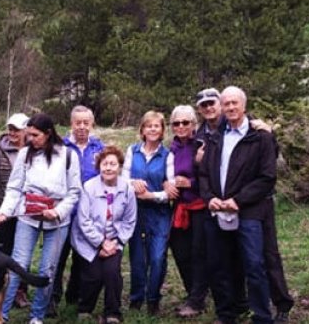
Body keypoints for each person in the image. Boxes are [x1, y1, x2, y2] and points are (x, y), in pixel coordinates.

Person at [198, 86, 294, 324]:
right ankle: (227, 313)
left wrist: (238, 200)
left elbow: (267, 177)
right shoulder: (215, 137)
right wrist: (210, 198)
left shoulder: (260, 136)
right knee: (221, 264)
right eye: (226, 103)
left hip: (251, 210)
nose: (231, 107)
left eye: (235, 103)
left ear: (244, 105)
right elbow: (204, 173)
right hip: (219, 209)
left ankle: (262, 316)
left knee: (255, 263)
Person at [0, 113, 83, 324]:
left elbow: (74, 192)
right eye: (29, 134)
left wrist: (58, 211)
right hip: (28, 217)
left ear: (48, 133)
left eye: (35, 135)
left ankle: (37, 315)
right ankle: (2, 315)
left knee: (47, 268)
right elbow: (14, 188)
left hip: (57, 221)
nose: (30, 139)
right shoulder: (25, 154)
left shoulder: (68, 156)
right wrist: (4, 212)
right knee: (17, 264)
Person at [71, 145, 137, 324]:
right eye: (104, 164)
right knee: (93, 275)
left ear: (120, 167)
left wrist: (115, 242)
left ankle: (113, 313)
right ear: (99, 166)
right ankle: (85, 308)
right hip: (88, 239)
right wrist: (100, 243)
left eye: (113, 164)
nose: (108, 168)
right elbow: (83, 221)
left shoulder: (127, 189)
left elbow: (129, 220)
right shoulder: (89, 187)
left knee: (111, 272)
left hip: (114, 240)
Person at [51, 105, 106, 315]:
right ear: (71, 124)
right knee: (57, 257)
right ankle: (52, 299)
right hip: (63, 212)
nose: (82, 127)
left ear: (92, 124)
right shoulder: (59, 147)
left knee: (82, 258)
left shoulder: (99, 148)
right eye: (78, 123)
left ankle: (74, 297)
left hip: (88, 216)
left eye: (86, 123)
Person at [122, 110, 176, 315]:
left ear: (162, 130)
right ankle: (136, 298)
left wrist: (151, 195)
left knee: (157, 257)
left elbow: (171, 191)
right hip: (135, 212)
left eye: (157, 126)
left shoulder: (167, 156)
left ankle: (153, 299)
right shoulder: (132, 151)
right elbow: (122, 180)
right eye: (148, 126)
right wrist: (132, 182)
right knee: (137, 258)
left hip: (159, 213)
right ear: (142, 130)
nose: (152, 129)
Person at [167, 104, 208, 318]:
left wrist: (190, 183)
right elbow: (164, 175)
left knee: (199, 252)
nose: (181, 126)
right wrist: (166, 184)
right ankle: (193, 292)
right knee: (181, 252)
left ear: (194, 124)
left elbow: (211, 176)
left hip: (200, 205)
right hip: (180, 207)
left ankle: (197, 300)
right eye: (176, 123)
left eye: (186, 122)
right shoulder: (171, 149)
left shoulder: (200, 145)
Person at [0, 112, 30, 308]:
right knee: (4, 251)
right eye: (10, 129)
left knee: (23, 252)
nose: (12, 133)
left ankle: (20, 291)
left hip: (26, 211)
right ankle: (3, 289)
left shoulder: (33, 150)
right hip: (3, 209)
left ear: (25, 130)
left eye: (16, 130)